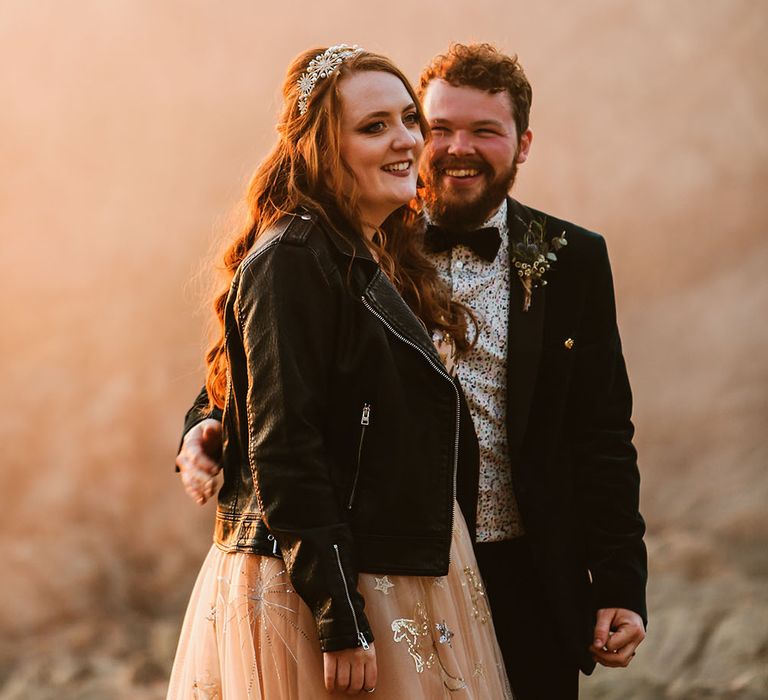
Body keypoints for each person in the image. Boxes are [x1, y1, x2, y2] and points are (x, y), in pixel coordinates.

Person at [180, 42, 649, 699]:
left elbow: (602, 434)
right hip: (384, 567)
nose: (457, 147)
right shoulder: (360, 236)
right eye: (440, 128)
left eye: (485, 130)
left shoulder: (572, 259)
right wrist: (205, 422)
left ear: (523, 143)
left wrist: (621, 581)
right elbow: (268, 382)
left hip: (529, 570)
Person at [168, 45, 512, 699]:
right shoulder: (292, 259)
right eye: (373, 126)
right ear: (322, 148)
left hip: (395, 561)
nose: (407, 140)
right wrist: (340, 618)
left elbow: (257, 383)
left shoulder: (376, 248)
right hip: (324, 585)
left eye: (410, 119)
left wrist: (210, 420)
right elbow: (285, 445)